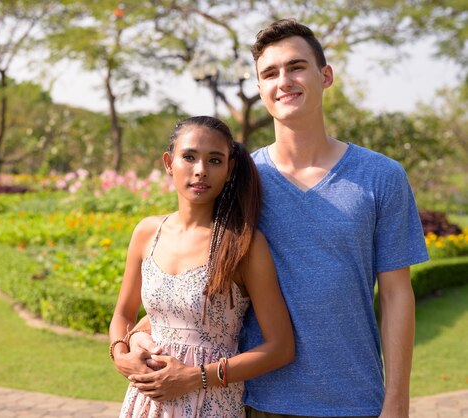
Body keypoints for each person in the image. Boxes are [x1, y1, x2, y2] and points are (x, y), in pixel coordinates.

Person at [123, 19, 429, 418]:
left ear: (325, 75)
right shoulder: (238, 179)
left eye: (296, 67)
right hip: (253, 400)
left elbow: (396, 296)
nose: (283, 80)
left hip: (355, 399)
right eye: (269, 73)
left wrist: (397, 402)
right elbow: (194, 266)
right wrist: (141, 335)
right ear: (260, 89)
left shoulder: (381, 177)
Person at [109, 115, 294, 417]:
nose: (200, 171)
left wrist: (195, 377)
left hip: (211, 403)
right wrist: (120, 354)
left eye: (215, 161)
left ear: (229, 169)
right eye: (189, 157)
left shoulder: (243, 243)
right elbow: (123, 314)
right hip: (146, 401)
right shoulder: (147, 232)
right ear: (169, 162)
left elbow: (281, 347)